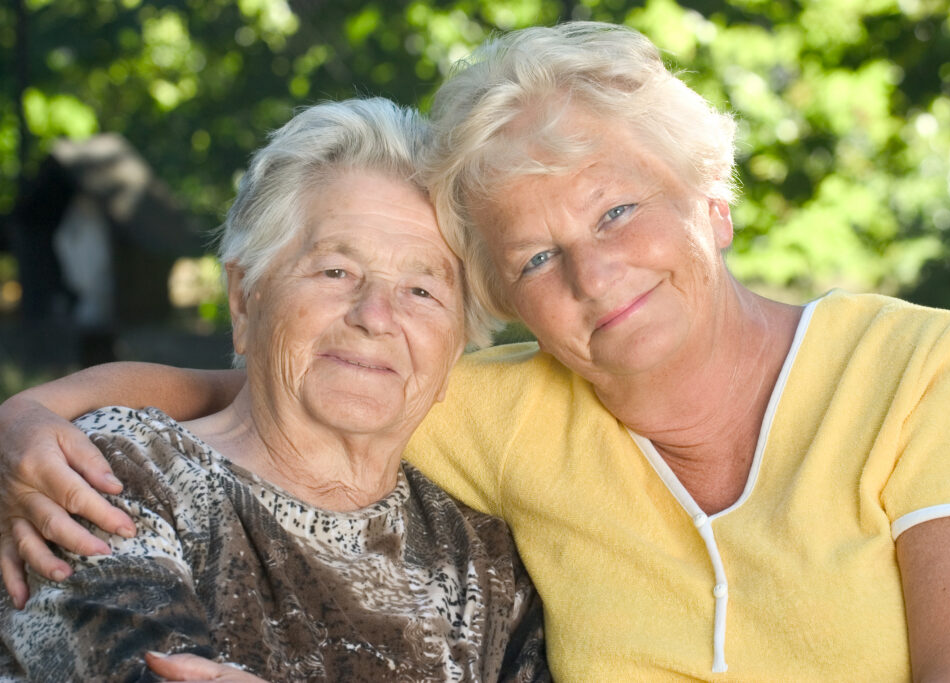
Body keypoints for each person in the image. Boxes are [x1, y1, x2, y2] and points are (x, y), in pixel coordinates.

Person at [1, 21, 950, 681]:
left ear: (710, 203)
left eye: (617, 209)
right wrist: (29, 416)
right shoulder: (490, 408)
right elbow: (272, 379)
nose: (592, 273)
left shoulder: (915, 369)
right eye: (536, 255)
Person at [0, 98, 547, 682]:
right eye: (336, 271)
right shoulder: (110, 473)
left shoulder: (485, 561)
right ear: (244, 297)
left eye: (422, 290)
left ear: (459, 343)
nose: (375, 316)